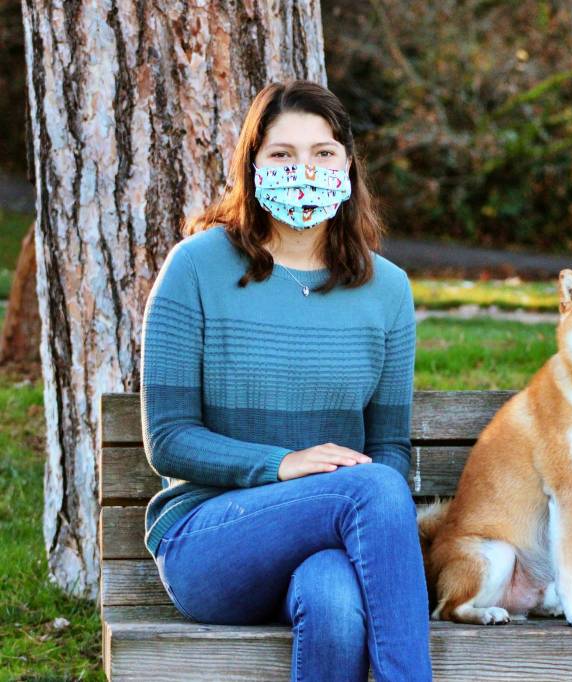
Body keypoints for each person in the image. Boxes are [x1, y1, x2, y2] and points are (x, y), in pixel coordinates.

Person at [140, 79, 432, 682]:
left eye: (322, 153)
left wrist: (357, 516)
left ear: (348, 165)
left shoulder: (387, 290)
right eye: (282, 154)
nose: (305, 169)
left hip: (329, 545)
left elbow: (390, 448)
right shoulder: (196, 266)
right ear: (253, 166)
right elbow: (167, 440)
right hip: (211, 540)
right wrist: (281, 464)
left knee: (333, 602)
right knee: (374, 488)